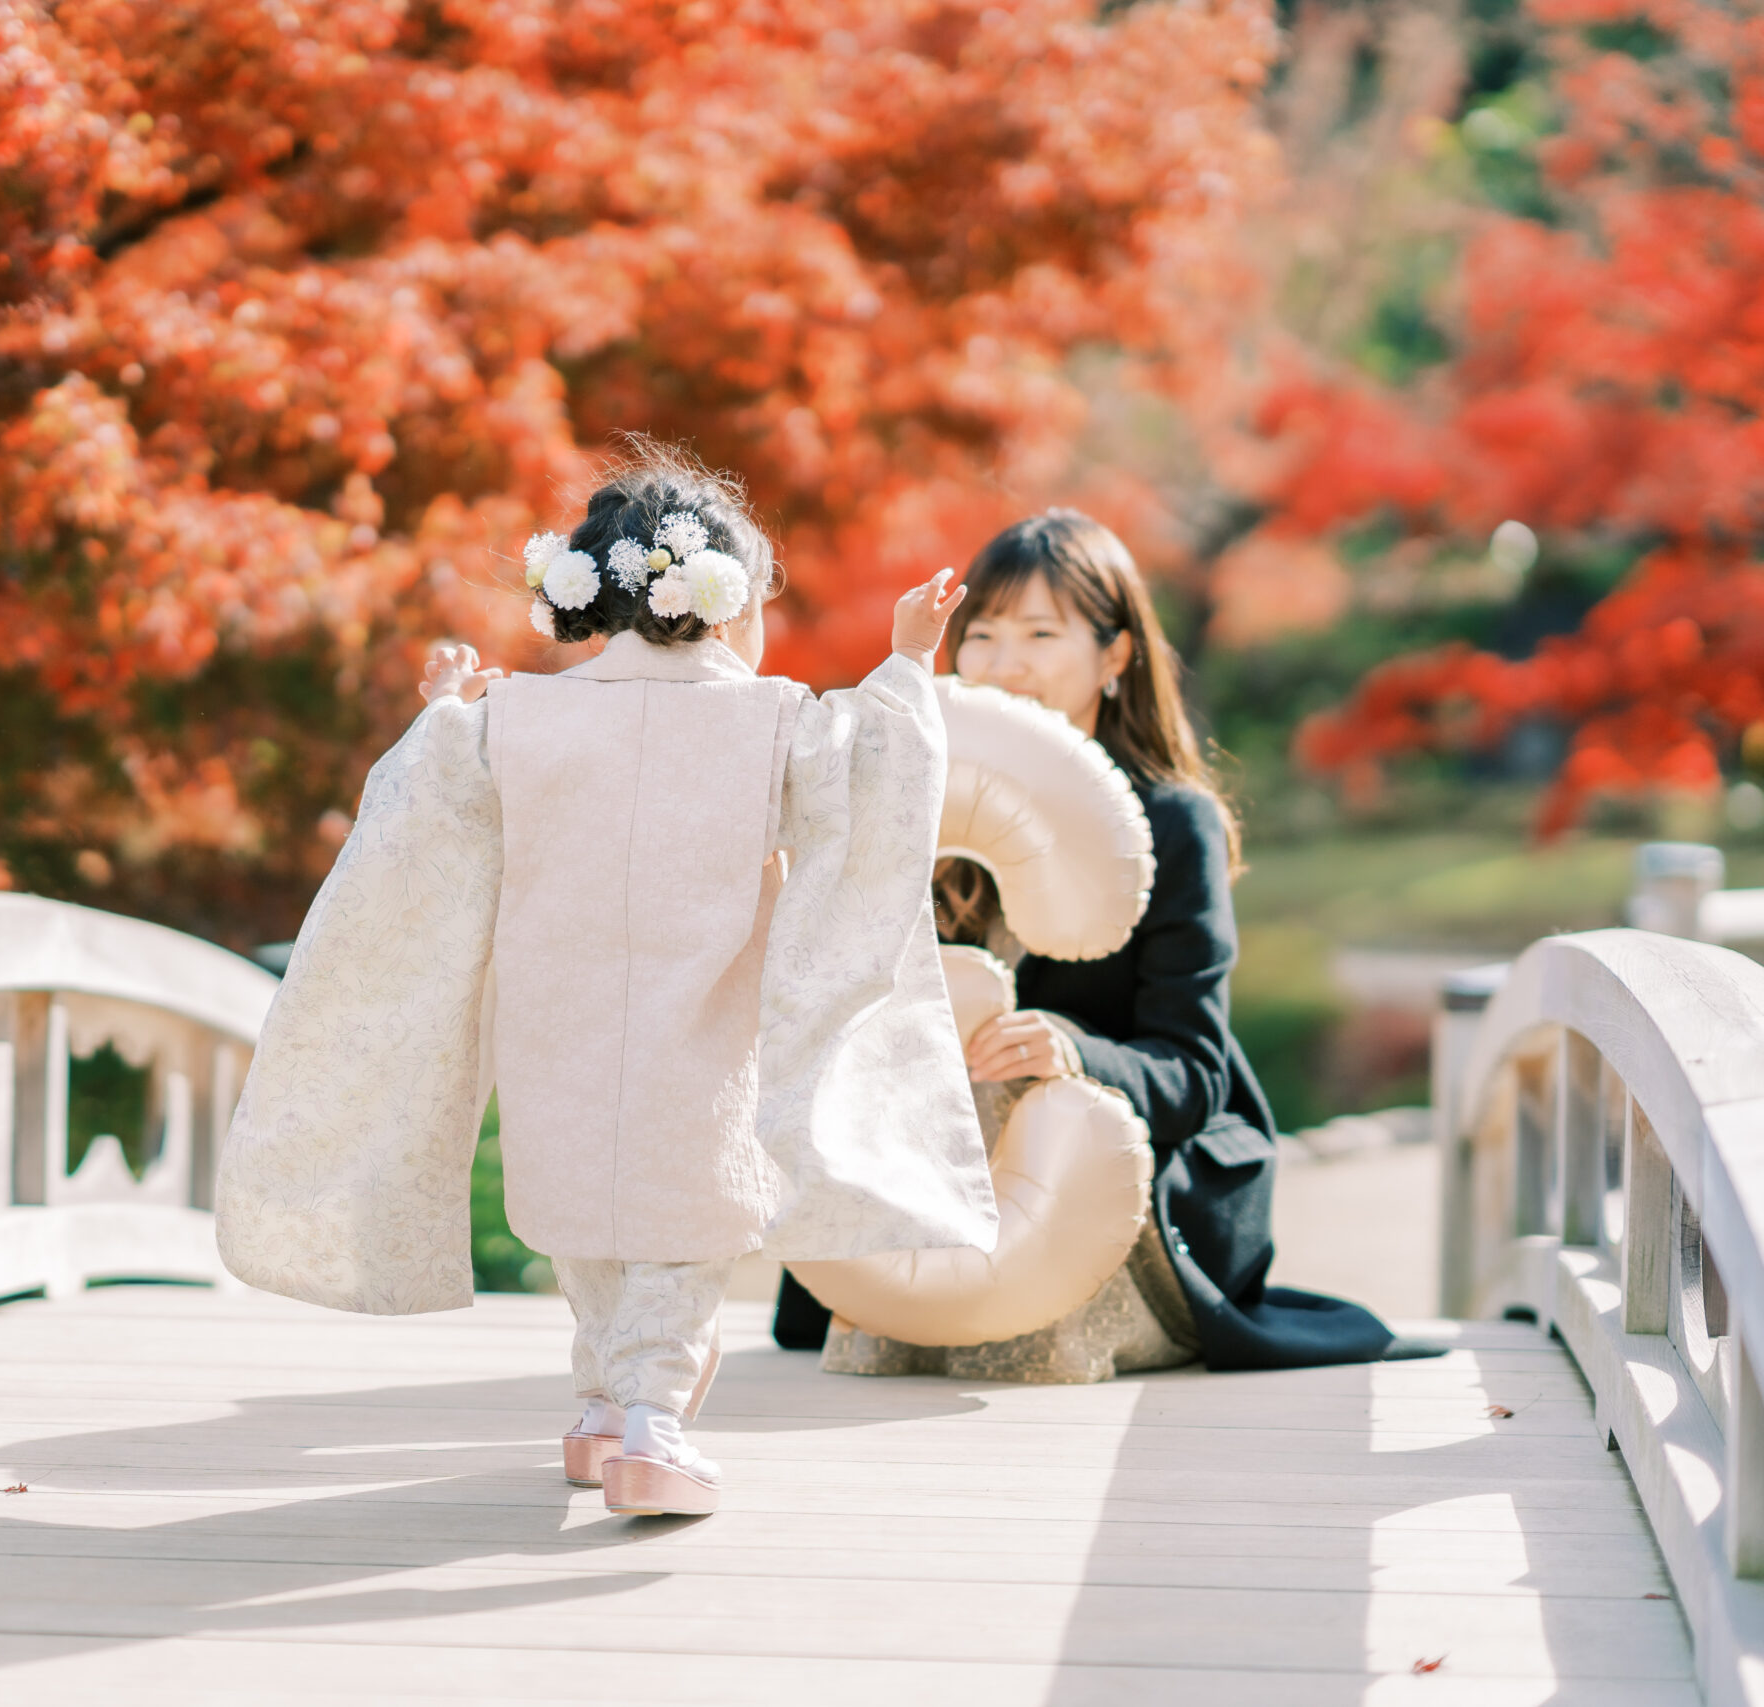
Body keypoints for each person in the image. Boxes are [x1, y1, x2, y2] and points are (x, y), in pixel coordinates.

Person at [215, 446, 996, 1518]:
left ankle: (597, 1406)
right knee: (683, 1228)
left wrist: (447, 704)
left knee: (587, 1217)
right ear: (724, 602)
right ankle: (652, 1431)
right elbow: (875, 775)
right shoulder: (766, 719)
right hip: (702, 1026)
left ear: (592, 596)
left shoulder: (520, 720)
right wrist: (908, 662)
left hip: (556, 1021)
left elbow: (435, 795)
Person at [774, 509, 1434, 1370]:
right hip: (943, 1158)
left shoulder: (1172, 822)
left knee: (1050, 1119)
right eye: (982, 634)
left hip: (1103, 1162)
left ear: (1115, 655)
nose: (1005, 663)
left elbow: (1194, 1069)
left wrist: (1073, 1050)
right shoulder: (916, 802)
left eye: (1042, 633)